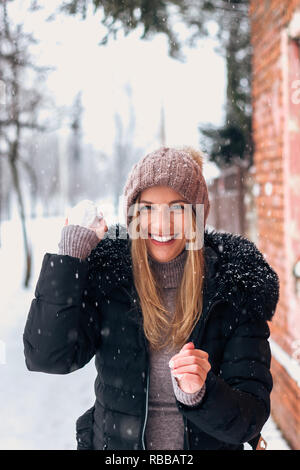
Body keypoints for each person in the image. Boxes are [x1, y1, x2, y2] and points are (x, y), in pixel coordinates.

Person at [23, 146, 279, 450]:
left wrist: (201, 393)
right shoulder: (110, 278)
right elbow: (48, 356)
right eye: (147, 209)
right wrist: (70, 257)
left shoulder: (234, 285)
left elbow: (250, 418)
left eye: (177, 209)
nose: (161, 224)